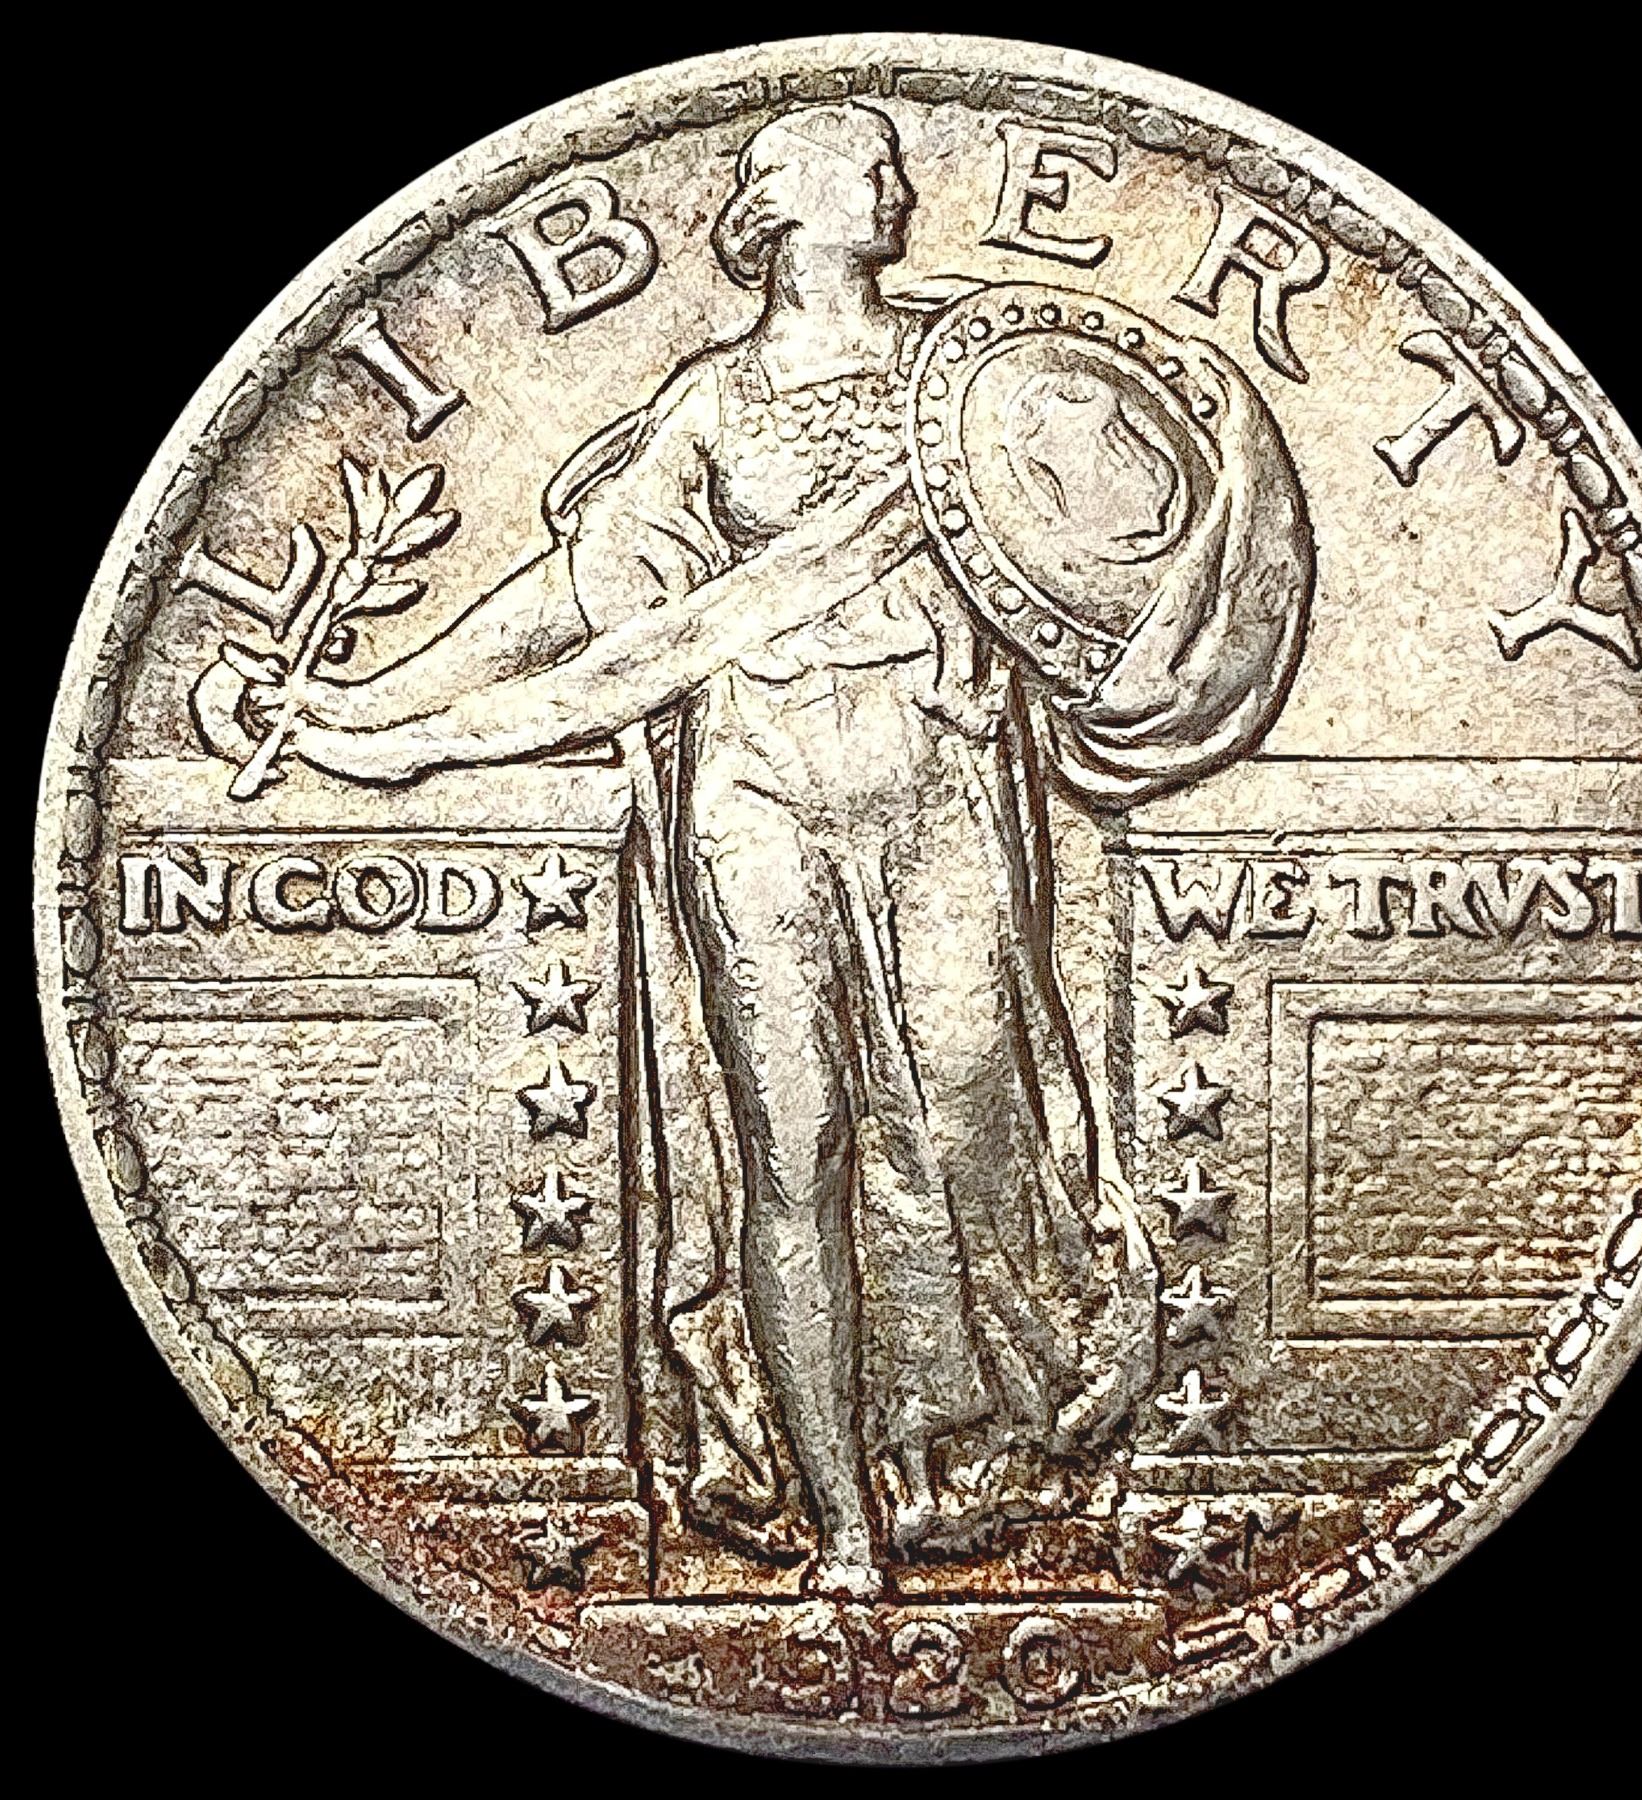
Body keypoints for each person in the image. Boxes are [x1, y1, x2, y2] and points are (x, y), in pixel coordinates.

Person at [208, 101, 1312, 1599]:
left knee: (974, 1127)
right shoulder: (714, 405)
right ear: (776, 206)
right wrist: (372, 713)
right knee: (793, 1153)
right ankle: (839, 1514)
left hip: (939, 791)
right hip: (756, 795)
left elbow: (1125, 534)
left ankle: (970, 1457)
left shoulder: (974, 377)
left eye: (894, 165)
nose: (897, 184)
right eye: (865, 166)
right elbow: (582, 604)